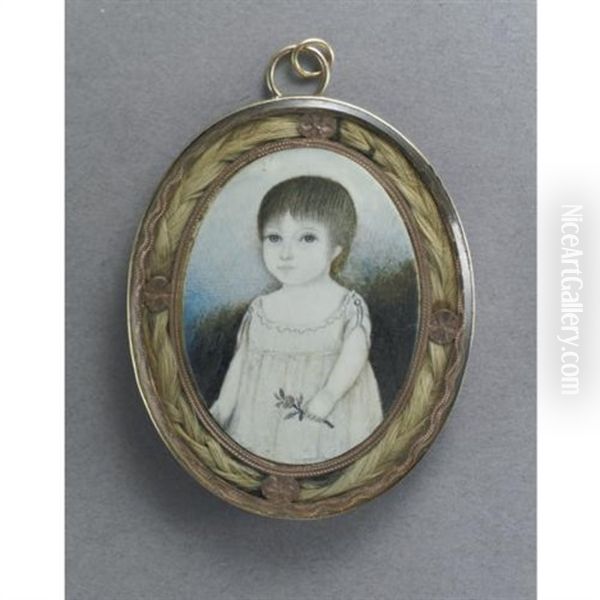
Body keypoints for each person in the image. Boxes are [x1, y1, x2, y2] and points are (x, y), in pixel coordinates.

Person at [209, 176, 383, 464]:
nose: (286, 253)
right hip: (263, 424)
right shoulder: (261, 309)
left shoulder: (346, 305)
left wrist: (328, 395)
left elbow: (355, 353)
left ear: (337, 248)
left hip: (327, 417)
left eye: (307, 238)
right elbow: (241, 364)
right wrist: (223, 407)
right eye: (274, 238)